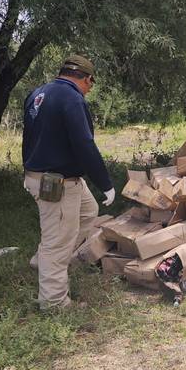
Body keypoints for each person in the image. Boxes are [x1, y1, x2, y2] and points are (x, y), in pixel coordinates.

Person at [22, 55, 115, 310]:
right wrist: (105, 182)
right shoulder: (72, 98)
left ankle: (45, 262)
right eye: (91, 84)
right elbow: (84, 144)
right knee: (57, 241)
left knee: (88, 211)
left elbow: (30, 136)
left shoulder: (37, 94)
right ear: (86, 78)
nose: (89, 89)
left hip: (41, 175)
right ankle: (54, 303)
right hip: (57, 182)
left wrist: (29, 170)